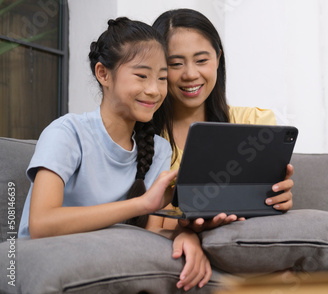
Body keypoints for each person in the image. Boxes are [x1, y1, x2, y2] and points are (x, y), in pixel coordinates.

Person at [18, 17, 210, 291]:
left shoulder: (158, 150)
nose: (154, 90)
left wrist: (186, 235)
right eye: (141, 76)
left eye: (162, 78)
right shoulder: (67, 133)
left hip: (113, 261)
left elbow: (152, 233)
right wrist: (141, 204)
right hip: (46, 257)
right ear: (103, 74)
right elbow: (41, 224)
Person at [151, 8, 294, 231]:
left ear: (217, 59)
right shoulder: (146, 139)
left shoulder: (254, 123)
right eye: (175, 63)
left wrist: (278, 198)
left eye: (201, 60)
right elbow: (149, 221)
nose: (190, 74)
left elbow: (264, 211)